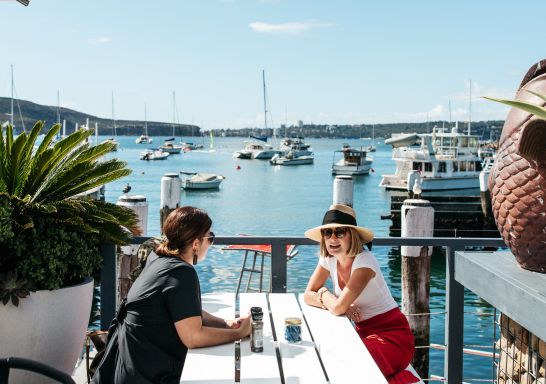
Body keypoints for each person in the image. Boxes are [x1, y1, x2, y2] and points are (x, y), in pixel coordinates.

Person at [92, 206, 250, 384]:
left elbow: (186, 312)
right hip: (148, 376)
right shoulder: (181, 273)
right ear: (196, 244)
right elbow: (193, 337)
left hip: (130, 367)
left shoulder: (158, 258)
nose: (211, 243)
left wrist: (227, 324)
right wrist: (238, 334)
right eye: (210, 238)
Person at [303, 204, 418, 384]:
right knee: (334, 360)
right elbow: (308, 294)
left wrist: (324, 293)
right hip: (364, 335)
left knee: (351, 366)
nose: (332, 238)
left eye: (340, 232)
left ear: (352, 235)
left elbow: (338, 306)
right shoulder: (328, 259)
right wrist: (335, 303)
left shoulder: (365, 262)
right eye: (327, 233)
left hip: (394, 338)